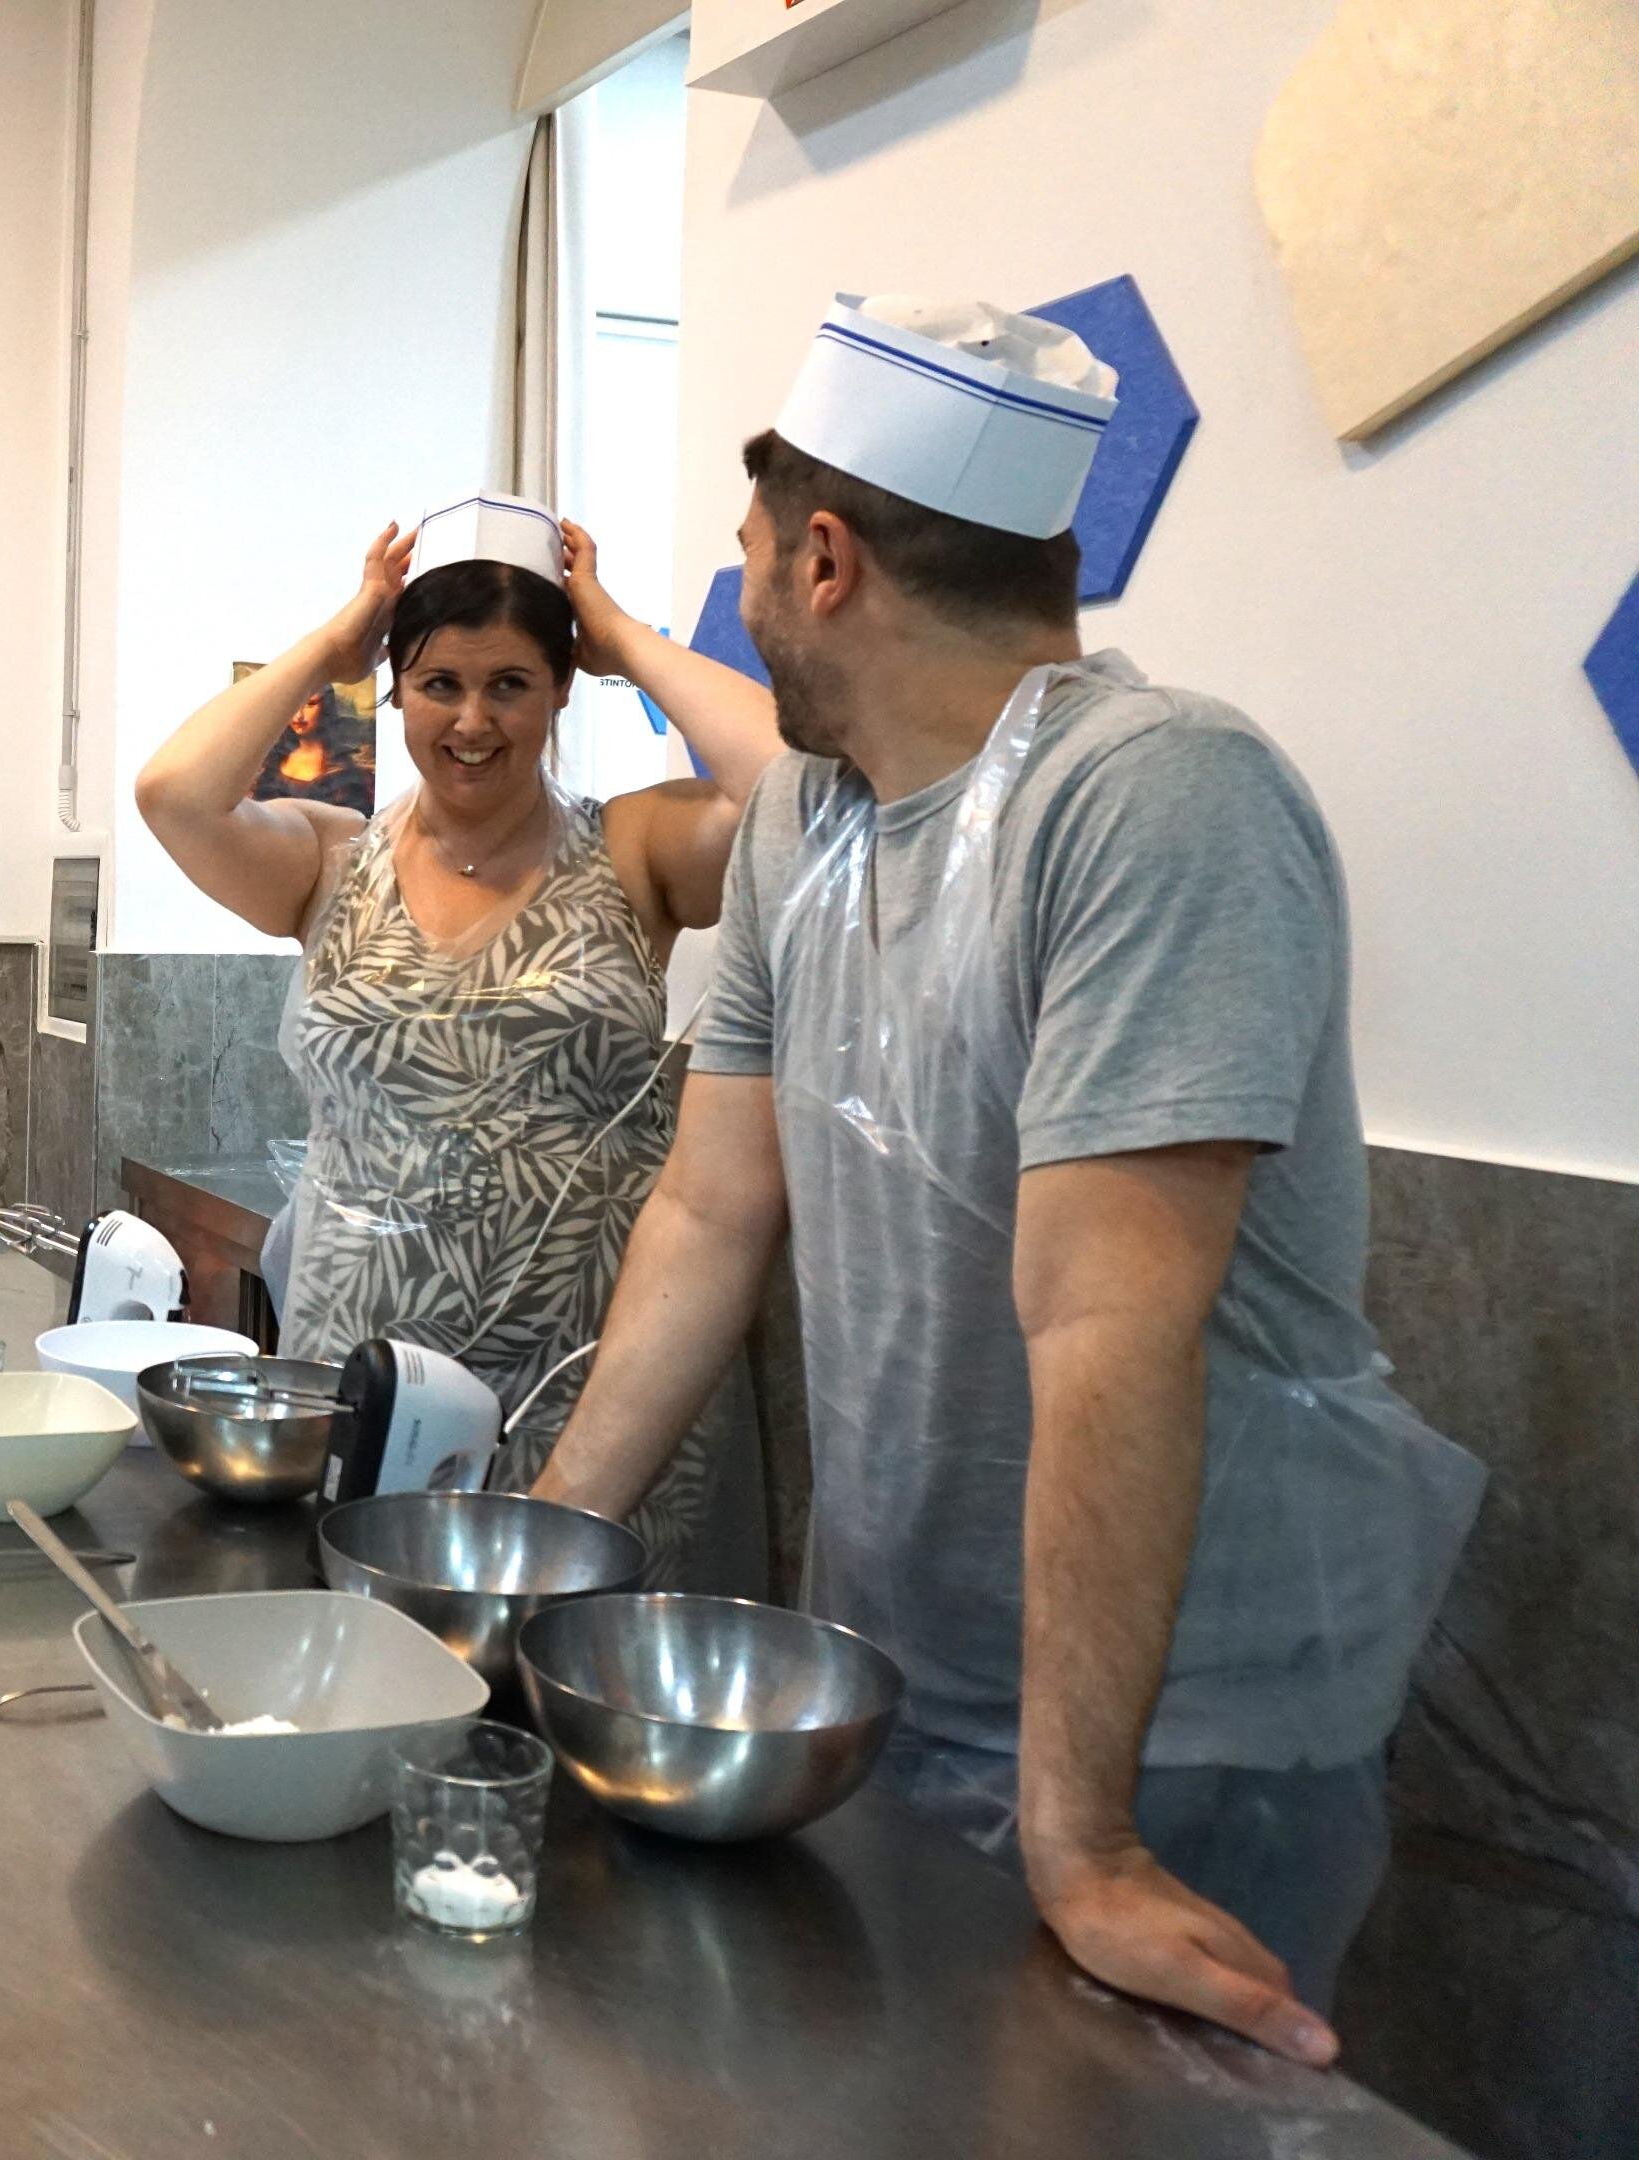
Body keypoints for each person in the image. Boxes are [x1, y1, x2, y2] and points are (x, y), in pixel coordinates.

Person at [526, 297, 1485, 2063]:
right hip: (898, 1675)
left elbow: (1111, 1315)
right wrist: (532, 1564)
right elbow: (713, 1213)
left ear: (825, 561)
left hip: (1177, 1738)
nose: (741, 593)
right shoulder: (807, 821)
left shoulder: (1157, 799)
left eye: (747, 557)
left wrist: (1089, 1837)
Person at [134, 496, 786, 1504]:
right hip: (367, 1374)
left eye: (510, 684)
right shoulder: (328, 863)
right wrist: (333, 647)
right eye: (439, 684)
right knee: (364, 1601)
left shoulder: (632, 850)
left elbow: (793, 787)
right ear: (397, 690)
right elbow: (171, 792)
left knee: (578, 1606)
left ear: (561, 690)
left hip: (589, 1384)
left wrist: (621, 637)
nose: (473, 722)